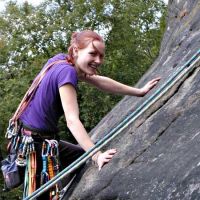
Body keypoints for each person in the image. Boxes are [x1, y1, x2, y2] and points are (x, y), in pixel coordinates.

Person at [17, 30, 160, 199]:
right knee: (43, 194)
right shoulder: (66, 72)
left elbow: (98, 81)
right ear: (76, 50)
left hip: (27, 136)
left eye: (101, 55)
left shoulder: (62, 60)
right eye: (92, 54)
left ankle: (59, 191)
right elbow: (72, 120)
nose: (98, 60)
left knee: (78, 156)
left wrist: (139, 92)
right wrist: (97, 155)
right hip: (36, 144)